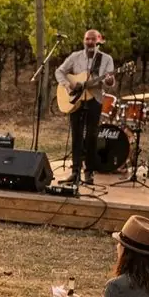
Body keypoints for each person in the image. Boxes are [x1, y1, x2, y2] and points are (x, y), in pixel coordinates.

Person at [55, 28, 115, 186]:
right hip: (77, 101)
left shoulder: (106, 59)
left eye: (93, 39)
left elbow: (110, 82)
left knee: (91, 136)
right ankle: (75, 171)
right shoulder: (75, 57)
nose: (90, 42)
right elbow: (59, 71)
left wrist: (109, 80)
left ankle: (89, 172)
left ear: (99, 41)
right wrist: (68, 86)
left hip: (94, 99)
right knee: (76, 135)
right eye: (87, 39)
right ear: (84, 40)